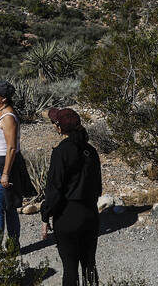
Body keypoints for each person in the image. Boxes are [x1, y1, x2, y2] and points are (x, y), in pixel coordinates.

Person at [41, 108, 103, 286]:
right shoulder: (91, 151)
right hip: (90, 214)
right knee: (89, 265)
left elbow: (54, 189)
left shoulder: (61, 152)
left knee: (70, 268)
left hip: (67, 216)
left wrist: (46, 215)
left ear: (60, 128)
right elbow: (97, 187)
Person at [0, 80, 24, 243]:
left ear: (4, 98)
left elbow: (12, 148)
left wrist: (5, 174)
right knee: (8, 207)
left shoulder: (8, 118)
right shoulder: (1, 113)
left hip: (3, 167)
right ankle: (13, 246)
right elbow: (2, 137)